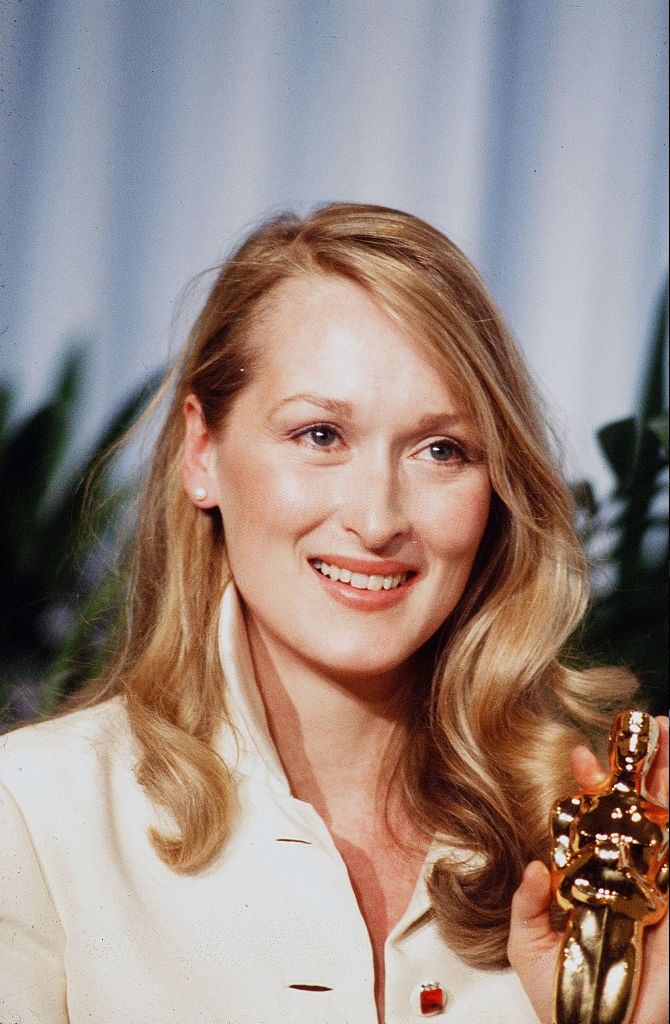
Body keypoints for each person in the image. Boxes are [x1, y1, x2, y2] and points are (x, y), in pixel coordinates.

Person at [0, 203, 666, 1024]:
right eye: (320, 435)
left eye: (441, 450)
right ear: (202, 452)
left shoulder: (598, 844)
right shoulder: (32, 815)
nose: (378, 516)